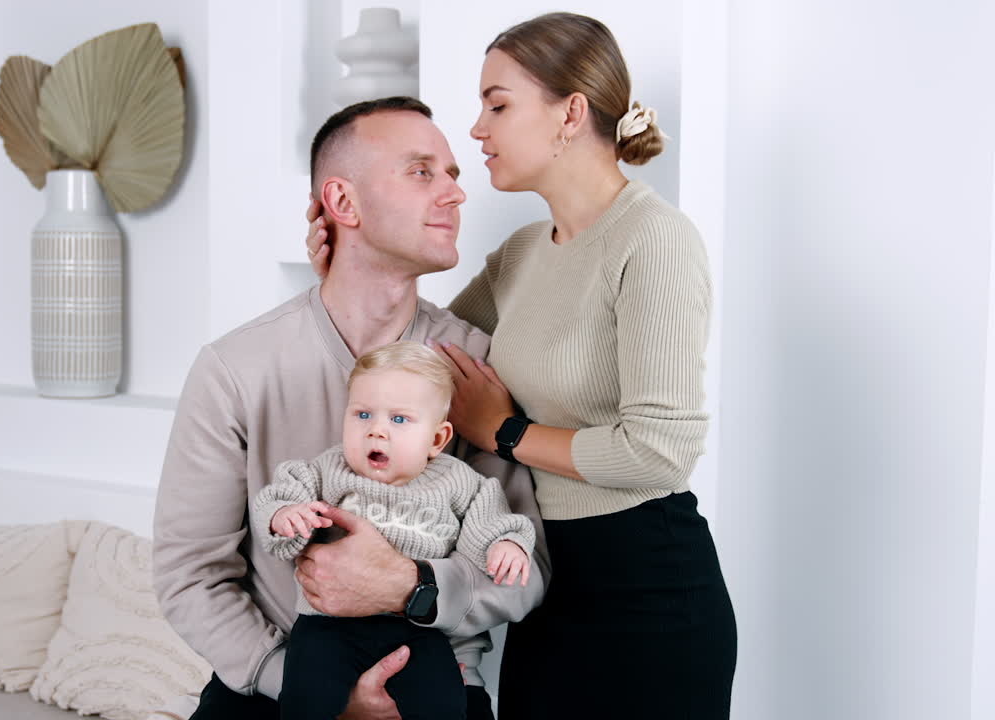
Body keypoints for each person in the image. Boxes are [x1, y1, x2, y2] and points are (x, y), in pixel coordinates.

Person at [305, 13, 737, 719]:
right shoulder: (523, 253)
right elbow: (424, 353)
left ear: (571, 113)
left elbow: (661, 452)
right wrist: (350, 260)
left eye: (497, 104)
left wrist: (505, 433)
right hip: (545, 587)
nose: (477, 129)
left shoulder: (654, 240)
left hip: (649, 594)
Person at [153, 96, 547, 720]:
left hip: (436, 689)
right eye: (421, 172)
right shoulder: (235, 368)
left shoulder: (473, 367)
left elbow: (526, 571)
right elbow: (189, 576)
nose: (454, 194)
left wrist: (412, 588)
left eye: (452, 175)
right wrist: (310, 689)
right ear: (342, 204)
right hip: (277, 684)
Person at [253, 341, 535, 720]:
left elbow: (493, 522)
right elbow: (279, 496)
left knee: (445, 701)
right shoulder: (327, 470)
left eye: (398, 419)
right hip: (328, 626)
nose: (377, 431)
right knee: (306, 696)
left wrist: (507, 544)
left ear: (436, 439)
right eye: (363, 414)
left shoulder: (458, 482)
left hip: (417, 628)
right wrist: (285, 515)